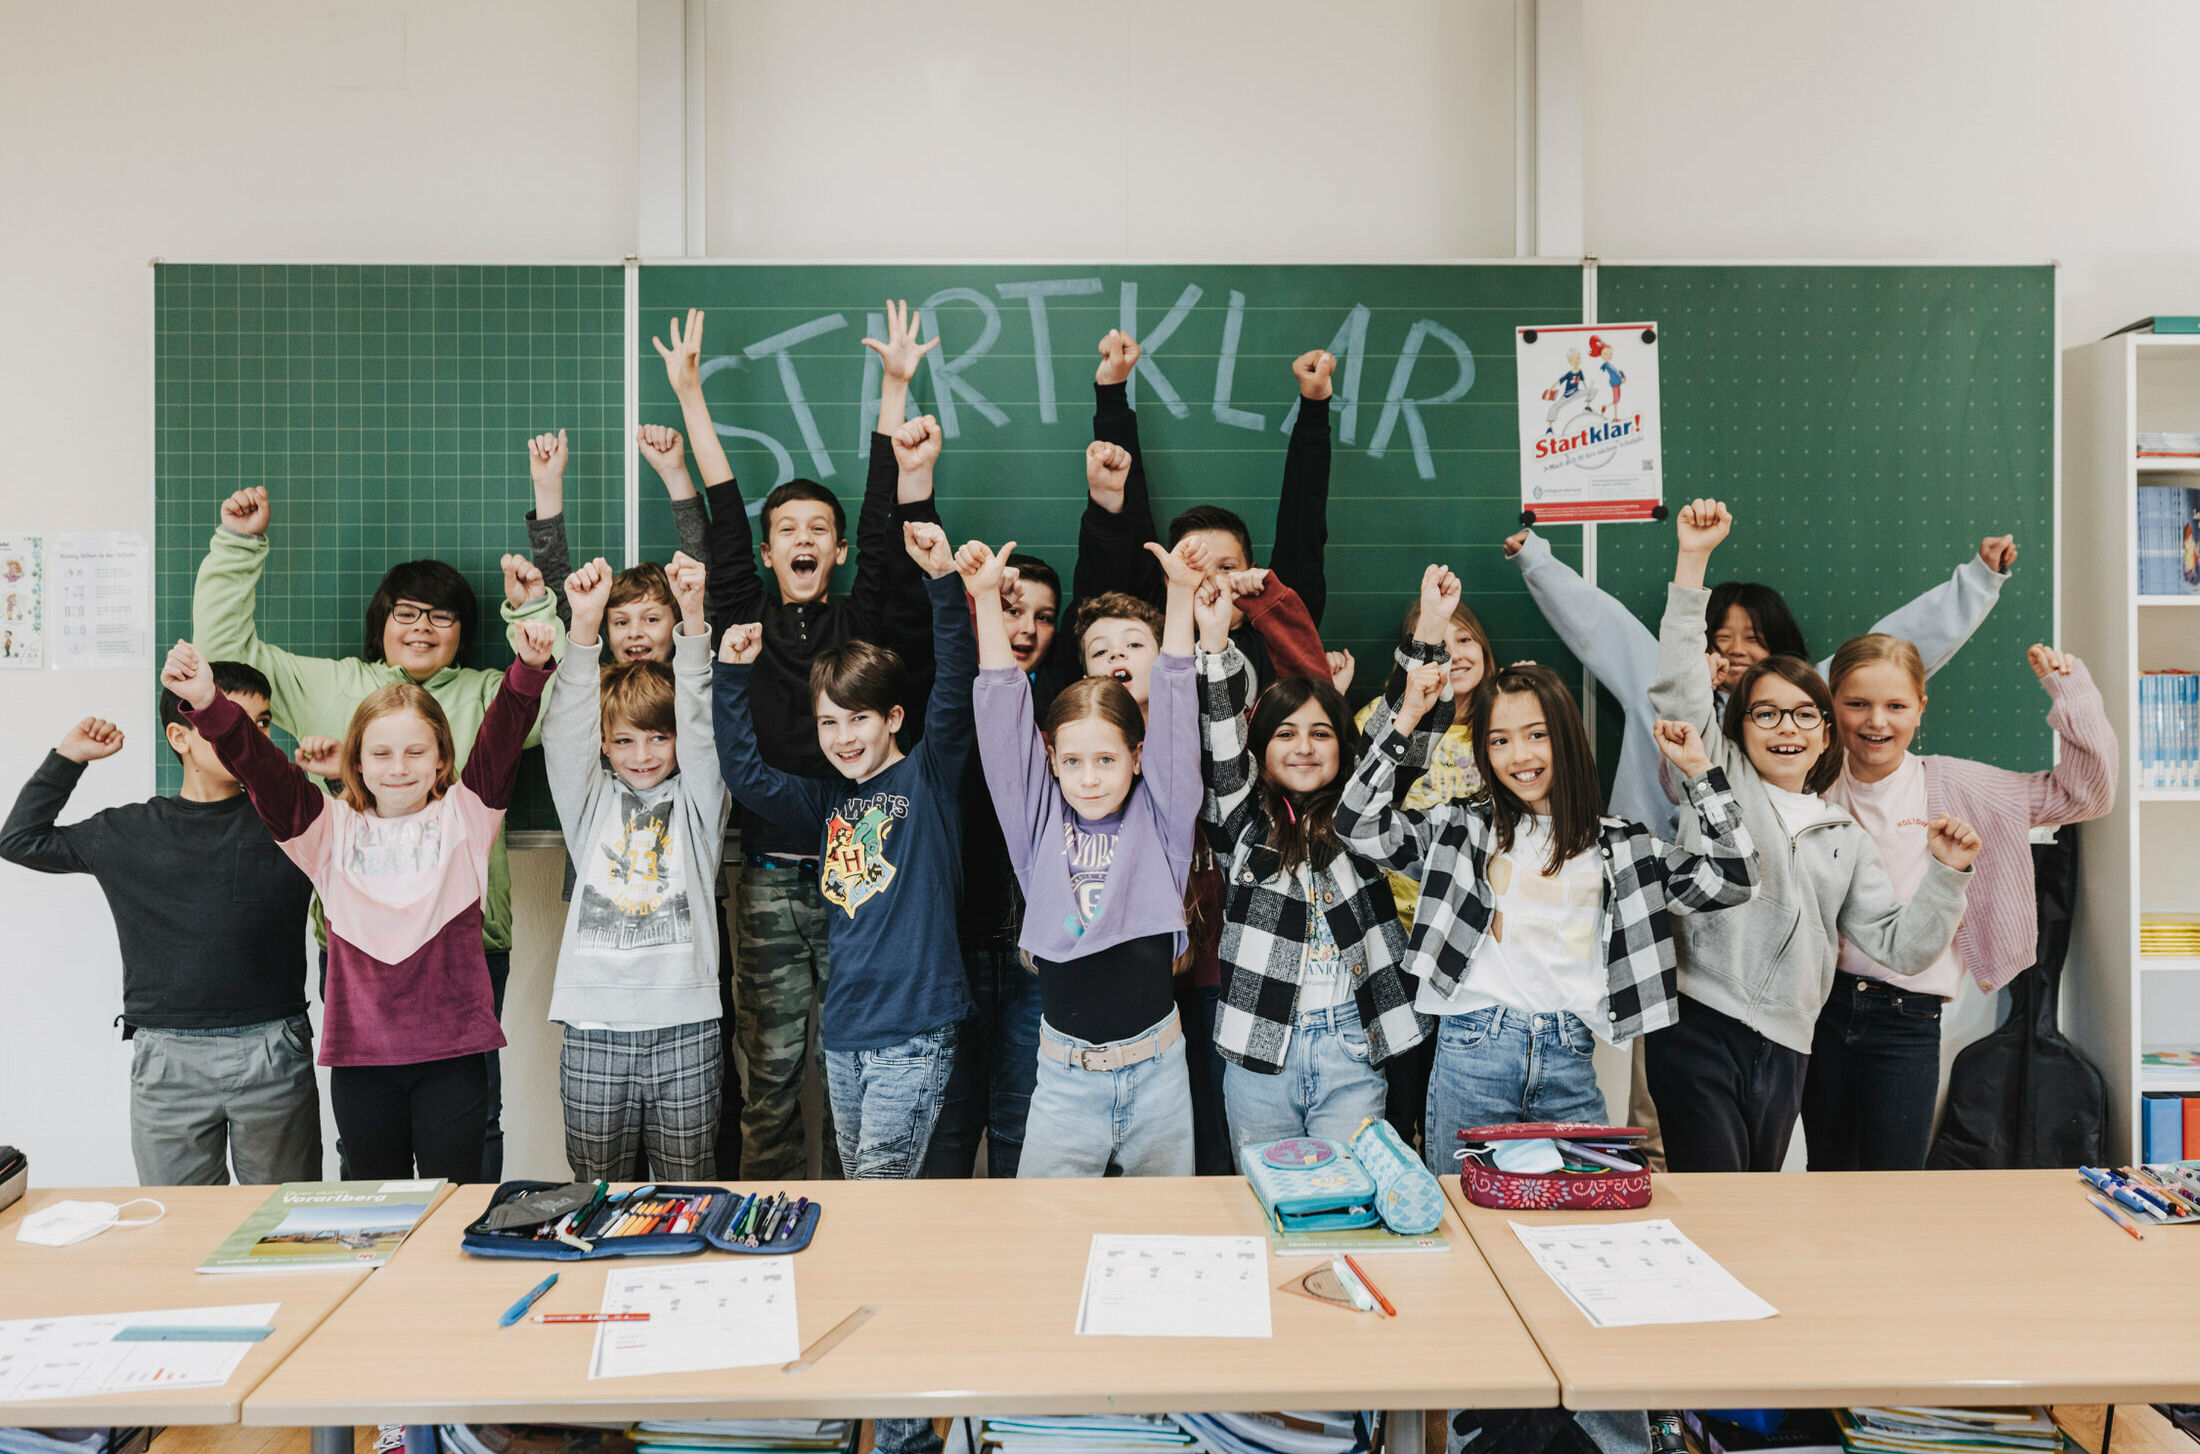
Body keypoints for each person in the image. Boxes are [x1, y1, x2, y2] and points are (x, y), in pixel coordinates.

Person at [191, 482, 561, 1180]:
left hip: (468, 957)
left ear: (442, 759)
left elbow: (523, 715)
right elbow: (251, 738)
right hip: (360, 979)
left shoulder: (467, 789)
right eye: (406, 612)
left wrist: (534, 636)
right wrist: (235, 556)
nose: (422, 625)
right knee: (367, 1168)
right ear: (355, 757)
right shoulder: (326, 790)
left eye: (442, 615)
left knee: (472, 1140)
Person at [673, 302, 944, 1181]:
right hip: (767, 875)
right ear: (766, 550)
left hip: (860, 864)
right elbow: (719, 513)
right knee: (775, 1071)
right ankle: (773, 1217)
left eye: (815, 532)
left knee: (860, 1058)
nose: (802, 538)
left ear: (832, 555)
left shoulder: (857, 626)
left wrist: (893, 390)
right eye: (786, 528)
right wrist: (689, 394)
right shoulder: (742, 613)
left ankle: (858, 1211)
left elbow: (880, 522)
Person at [1645, 499, 1982, 1173]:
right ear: (1737, 728)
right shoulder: (1717, 775)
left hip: (1788, 1042)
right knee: (1717, 1198)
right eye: (1765, 713)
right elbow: (1680, 691)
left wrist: (1947, 874)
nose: (1786, 727)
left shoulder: (1844, 836)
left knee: (1761, 1192)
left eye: (1804, 714)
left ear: (1827, 732)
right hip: (1698, 1021)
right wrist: (1692, 563)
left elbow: (1902, 947)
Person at [1802, 633, 2115, 1170]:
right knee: (1827, 1170)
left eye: (1896, 706)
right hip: (1818, 1009)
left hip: (1907, 1017)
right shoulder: (1807, 786)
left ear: (1920, 710)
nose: (1877, 721)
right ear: (1832, 707)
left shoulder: (1961, 786)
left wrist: (2073, 695)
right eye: (1857, 704)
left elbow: (2086, 794)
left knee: (1893, 1178)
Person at [0, 664, 318, 1186]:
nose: (251, 738)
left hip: (273, 1050)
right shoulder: (128, 830)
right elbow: (20, 840)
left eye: (261, 725)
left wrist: (329, 773)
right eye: (232, 721)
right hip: (168, 1059)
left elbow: (366, 830)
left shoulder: (293, 821)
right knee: (180, 1231)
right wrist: (69, 758)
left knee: (283, 1225)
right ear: (180, 736)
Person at [969, 532, 1205, 1176]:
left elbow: (1179, 703)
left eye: (1107, 760)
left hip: (1158, 1075)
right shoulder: (1038, 822)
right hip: (1066, 1080)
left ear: (1136, 757)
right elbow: (1000, 714)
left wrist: (1180, 599)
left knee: (1164, 1239)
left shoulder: (1163, 818)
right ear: (1050, 761)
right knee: (1047, 1239)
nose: (1091, 777)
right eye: (1072, 761)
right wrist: (987, 600)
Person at [1196, 568, 1437, 1151]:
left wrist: (1430, 625)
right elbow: (1222, 736)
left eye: (1321, 733)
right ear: (1262, 749)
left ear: (1343, 745)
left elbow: (1399, 740)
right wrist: (1213, 640)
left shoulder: (1364, 817)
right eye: (1284, 734)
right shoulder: (1242, 821)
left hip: (1353, 1047)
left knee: (1353, 1192)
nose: (1303, 747)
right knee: (1268, 1197)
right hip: (1260, 1051)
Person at [542, 552, 731, 1182]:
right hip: (595, 1027)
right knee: (598, 1198)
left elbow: (704, 727)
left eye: (657, 737)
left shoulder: (700, 804)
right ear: (603, 743)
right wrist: (584, 627)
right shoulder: (589, 801)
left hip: (685, 1026)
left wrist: (696, 620)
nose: (642, 754)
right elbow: (564, 732)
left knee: (687, 1191)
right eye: (624, 739)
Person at [929, 552, 1063, 1179]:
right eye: (1013, 611)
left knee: (1021, 1125)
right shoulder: (948, 701)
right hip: (953, 945)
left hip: (1033, 953)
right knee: (948, 1130)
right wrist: (972, 597)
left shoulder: (1067, 715)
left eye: (1044, 617)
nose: (1028, 630)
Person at [1352, 590, 1495, 1154]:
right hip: (1396, 932)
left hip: (1471, 939)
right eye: (1439, 642)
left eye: (1465, 639)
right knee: (1401, 1081)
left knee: (1457, 1085)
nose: (1455, 653)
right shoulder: (1379, 722)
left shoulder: (1503, 726)